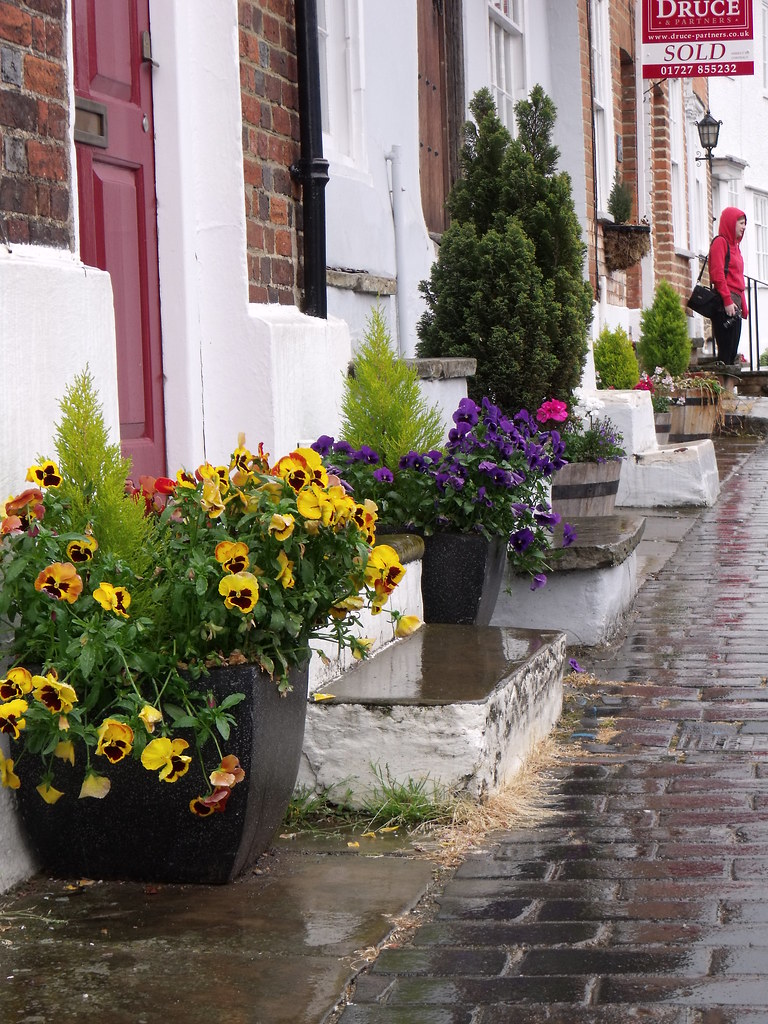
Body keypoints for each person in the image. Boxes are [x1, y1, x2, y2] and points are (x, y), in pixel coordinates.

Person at [709, 206, 748, 366]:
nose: (743, 227)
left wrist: (743, 306)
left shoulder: (736, 249)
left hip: (735, 304)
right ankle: (723, 390)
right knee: (725, 355)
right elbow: (717, 275)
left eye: (745, 223)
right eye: (740, 223)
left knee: (732, 355)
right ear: (731, 223)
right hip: (725, 304)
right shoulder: (720, 243)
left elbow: (738, 280)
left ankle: (729, 390)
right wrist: (726, 300)